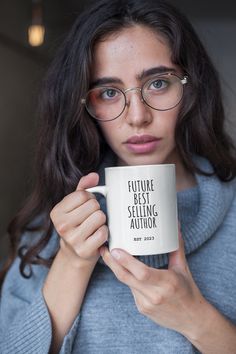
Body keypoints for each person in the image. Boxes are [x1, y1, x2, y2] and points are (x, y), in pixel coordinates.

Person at [1, 0, 236, 353]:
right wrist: (72, 262)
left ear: (190, 87)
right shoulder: (50, 227)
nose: (137, 116)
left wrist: (196, 318)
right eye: (109, 93)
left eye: (158, 83)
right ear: (85, 105)